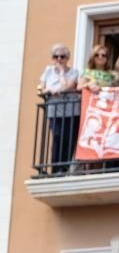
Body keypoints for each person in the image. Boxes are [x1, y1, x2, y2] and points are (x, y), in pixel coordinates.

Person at [40, 44, 80, 173]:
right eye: (55, 57)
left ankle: (65, 167)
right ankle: (56, 168)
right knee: (57, 136)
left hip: (71, 110)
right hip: (54, 110)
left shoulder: (74, 72)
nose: (58, 59)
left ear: (67, 58)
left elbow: (67, 87)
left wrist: (62, 73)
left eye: (62, 56)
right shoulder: (48, 70)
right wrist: (49, 90)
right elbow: (41, 88)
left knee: (69, 138)